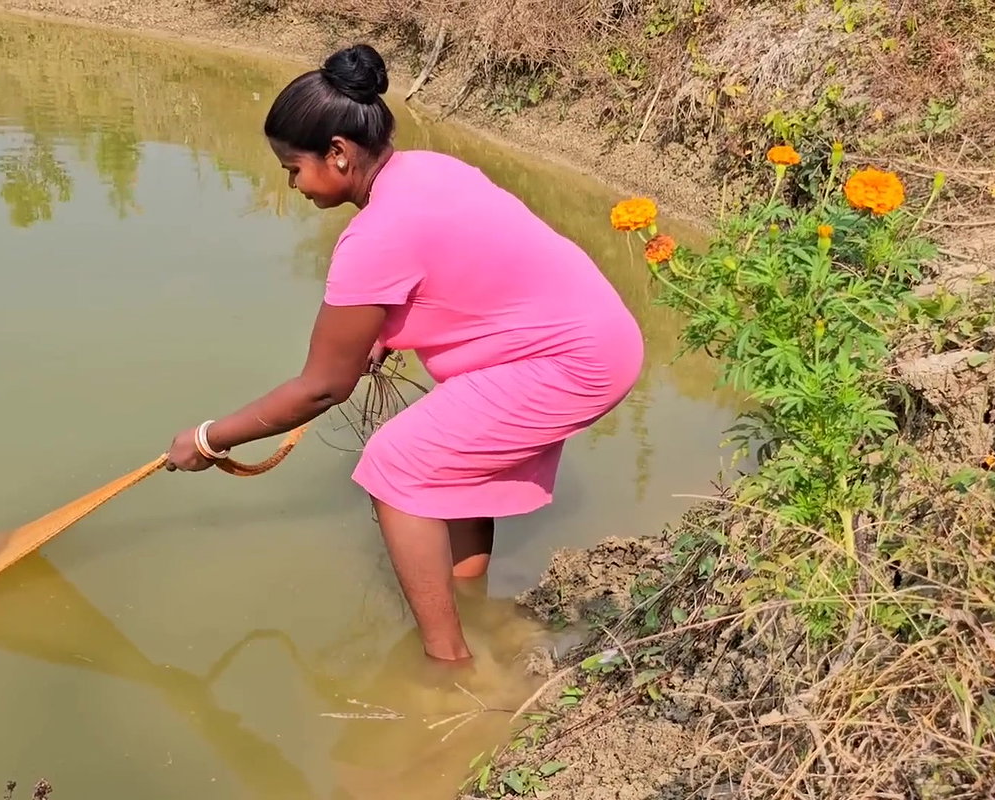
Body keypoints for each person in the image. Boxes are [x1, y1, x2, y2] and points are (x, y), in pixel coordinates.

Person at [164, 43, 645, 663]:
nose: (292, 183)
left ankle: (448, 663)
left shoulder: (375, 236)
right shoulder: (428, 170)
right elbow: (467, 271)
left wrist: (208, 439)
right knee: (449, 459)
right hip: (594, 332)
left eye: (293, 168)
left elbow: (321, 387)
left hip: (570, 360)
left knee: (397, 466)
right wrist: (387, 335)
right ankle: (470, 603)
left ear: (338, 153)